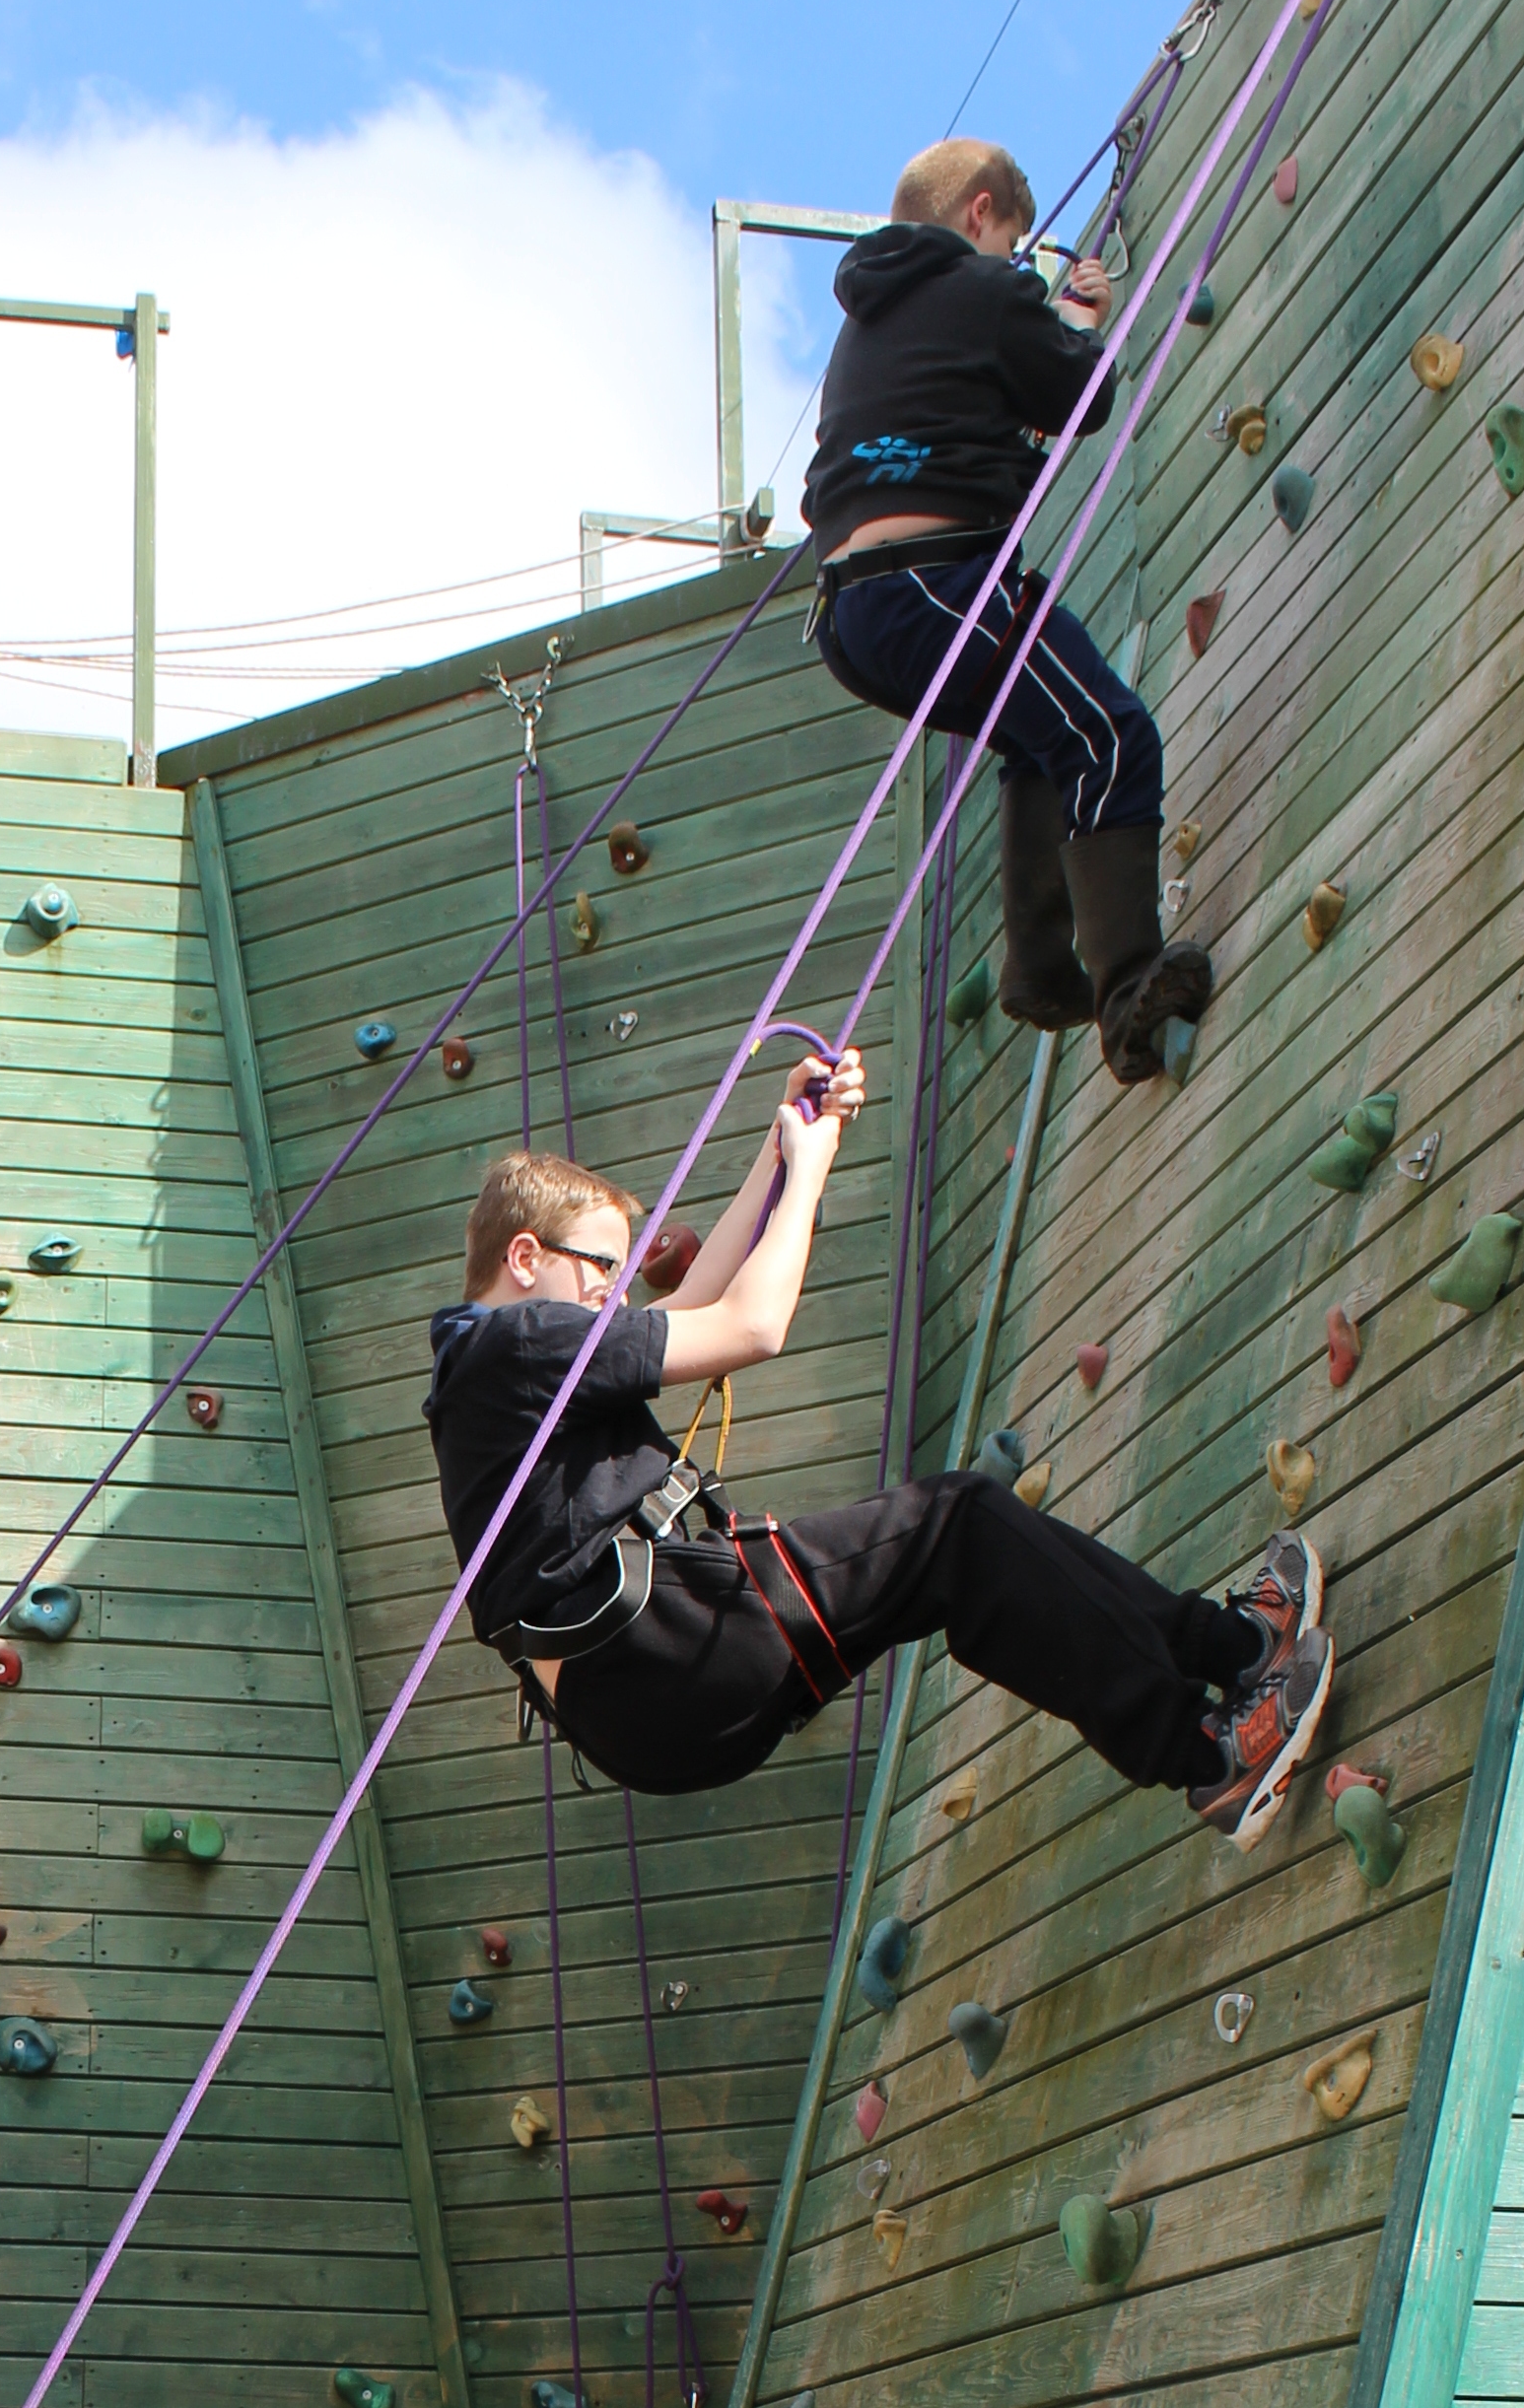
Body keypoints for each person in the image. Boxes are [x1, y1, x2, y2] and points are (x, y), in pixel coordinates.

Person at [426, 1092, 1336, 1851]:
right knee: (959, 1526)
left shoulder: (487, 1373)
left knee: (955, 1553)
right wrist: (814, 1167)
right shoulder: (520, 1341)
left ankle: (1232, 1660)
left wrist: (785, 1143)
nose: (615, 1297)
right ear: (525, 1258)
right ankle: (1212, 1750)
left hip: (647, 1711)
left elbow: (693, 1304)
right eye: (602, 1271)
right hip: (666, 1654)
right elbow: (751, 1327)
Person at [800, 137, 1213, 1087]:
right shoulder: (984, 291)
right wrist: (1077, 324)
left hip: (859, 619)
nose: (1013, 261)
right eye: (1013, 242)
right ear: (980, 211)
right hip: (939, 584)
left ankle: (1039, 966)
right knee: (1111, 736)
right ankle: (1130, 997)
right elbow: (1082, 397)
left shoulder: (863, 332)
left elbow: (976, 433)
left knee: (1038, 737)